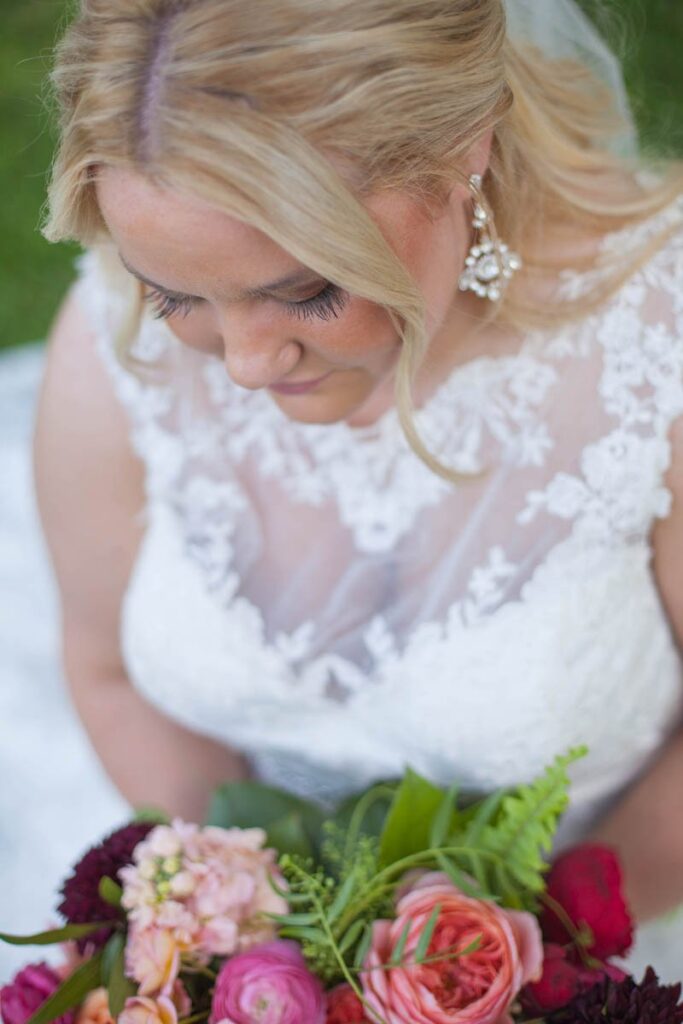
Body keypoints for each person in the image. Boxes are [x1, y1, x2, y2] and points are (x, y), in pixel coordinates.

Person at [31, 0, 683, 978]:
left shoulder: (658, 347)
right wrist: (249, 949)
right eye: (176, 292)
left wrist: (506, 975)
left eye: (304, 291)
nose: (245, 365)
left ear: (465, 147)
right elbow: (107, 673)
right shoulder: (112, 340)